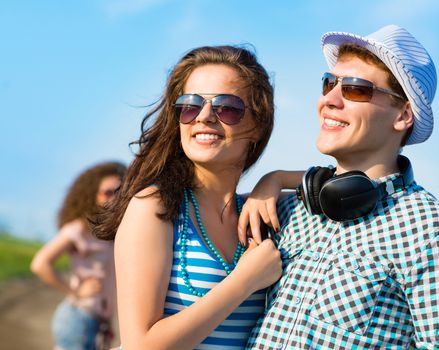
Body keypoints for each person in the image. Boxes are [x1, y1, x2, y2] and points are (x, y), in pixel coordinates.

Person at [240, 25, 439, 349]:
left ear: (403, 115)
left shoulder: (435, 232)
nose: (329, 100)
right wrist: (274, 178)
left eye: (355, 89)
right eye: (329, 83)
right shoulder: (286, 208)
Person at [92, 45, 282, 350]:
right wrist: (245, 281)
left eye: (227, 107)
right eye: (190, 105)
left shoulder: (259, 212)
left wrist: (277, 178)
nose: (204, 117)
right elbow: (140, 345)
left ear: (258, 123)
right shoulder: (155, 207)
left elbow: (352, 180)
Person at [31, 161, 126, 350]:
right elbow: (40, 264)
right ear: (91, 194)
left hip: (99, 324)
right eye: (108, 192)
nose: (114, 198)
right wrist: (75, 292)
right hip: (78, 319)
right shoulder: (78, 229)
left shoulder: (113, 233)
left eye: (120, 192)